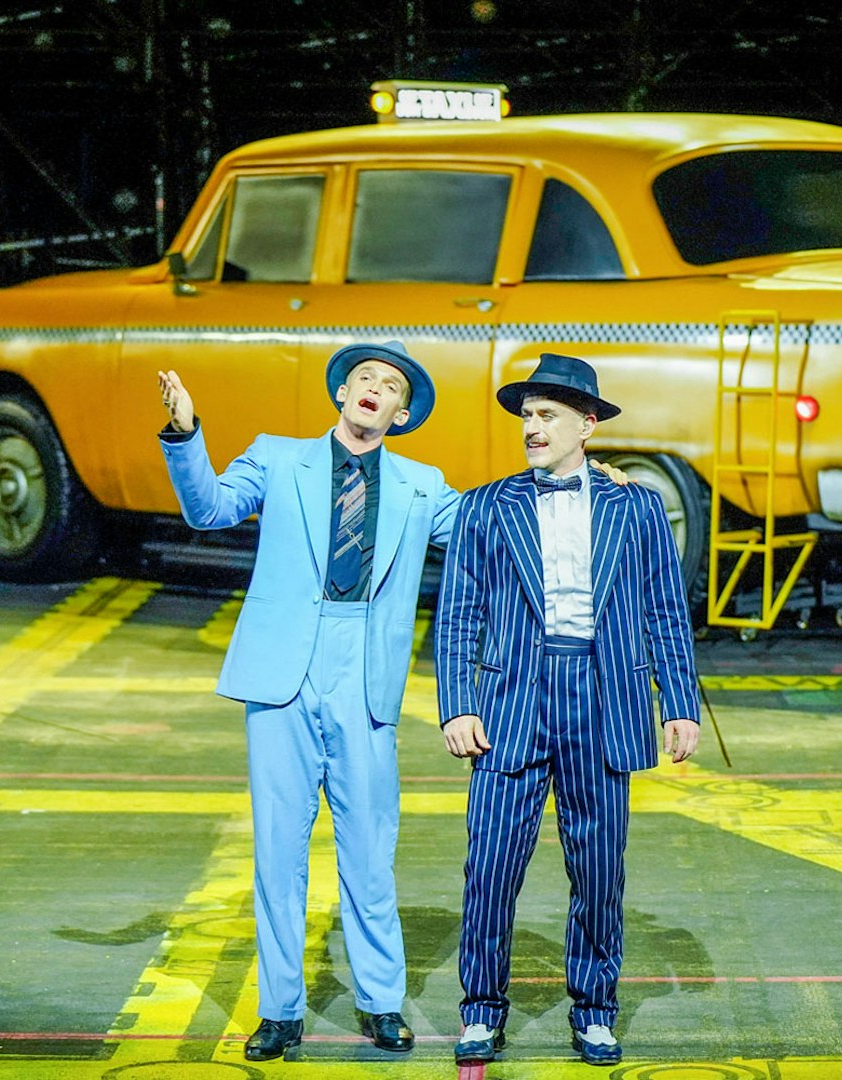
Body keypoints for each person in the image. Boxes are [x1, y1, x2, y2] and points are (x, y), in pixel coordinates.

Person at [157, 341, 459, 1061]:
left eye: (389, 386)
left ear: (402, 411)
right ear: (341, 394)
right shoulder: (277, 458)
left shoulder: (422, 485)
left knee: (368, 849)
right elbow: (208, 509)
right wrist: (184, 434)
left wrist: (577, 486)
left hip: (365, 673)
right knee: (278, 851)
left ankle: (381, 1001)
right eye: (364, 379)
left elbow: (494, 529)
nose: (374, 390)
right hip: (284, 668)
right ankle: (281, 1010)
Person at [433, 352, 700, 1067]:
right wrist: (457, 704)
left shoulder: (637, 506)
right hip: (514, 698)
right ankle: (482, 1010)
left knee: (598, 870)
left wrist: (680, 703)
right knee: (489, 866)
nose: (532, 426)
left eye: (547, 415)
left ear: (587, 424)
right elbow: (457, 614)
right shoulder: (487, 506)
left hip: (603, 696)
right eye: (526, 415)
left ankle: (596, 1011)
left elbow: (664, 612)